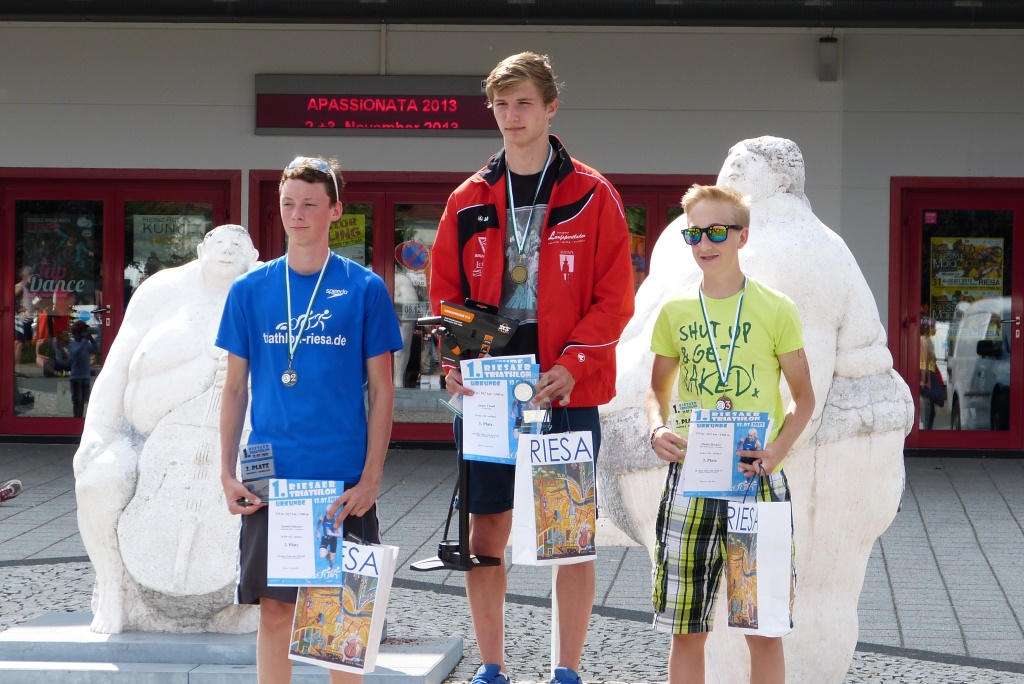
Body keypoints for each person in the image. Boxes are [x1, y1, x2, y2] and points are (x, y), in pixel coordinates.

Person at [429, 52, 635, 684]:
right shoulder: (468, 198)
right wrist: (454, 361)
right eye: (501, 104)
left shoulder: (593, 193)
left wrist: (574, 364)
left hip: (562, 389)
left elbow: (614, 297)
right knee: (486, 530)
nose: (511, 115)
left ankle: (565, 670)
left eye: (523, 103)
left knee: (566, 533)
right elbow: (445, 293)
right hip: (488, 391)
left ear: (550, 107)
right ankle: (492, 665)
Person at [218, 155, 403, 684]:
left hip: (341, 482)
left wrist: (371, 478)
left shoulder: (364, 288)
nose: (296, 215)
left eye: (309, 204)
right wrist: (226, 474)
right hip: (271, 480)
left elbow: (382, 391)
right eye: (288, 204)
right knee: (275, 614)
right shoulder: (249, 289)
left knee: (340, 620)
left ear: (335, 211)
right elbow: (234, 389)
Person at [646, 184, 814, 684]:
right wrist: (656, 427)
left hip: (755, 481)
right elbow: (655, 390)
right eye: (694, 233)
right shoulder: (675, 310)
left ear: (743, 236)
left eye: (717, 231)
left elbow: (805, 397)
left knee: (762, 628)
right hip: (690, 481)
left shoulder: (776, 308)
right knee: (685, 630)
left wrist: (777, 451)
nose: (705, 243)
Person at [73, 223, 261, 634]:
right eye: (219, 241)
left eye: (238, 244)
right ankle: (113, 590)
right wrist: (98, 432)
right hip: (143, 438)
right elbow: (116, 365)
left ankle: (254, 599)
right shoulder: (161, 290)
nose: (228, 249)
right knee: (98, 480)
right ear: (200, 249)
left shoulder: (265, 294)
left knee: (278, 483)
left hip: (235, 442)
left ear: (253, 257)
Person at [68, 320, 99, 417]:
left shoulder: (86, 344)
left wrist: (92, 340)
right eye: (82, 331)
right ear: (76, 332)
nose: (84, 333)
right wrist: (85, 340)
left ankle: (80, 418)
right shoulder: (72, 343)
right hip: (76, 377)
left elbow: (96, 350)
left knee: (83, 401)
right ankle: (76, 417)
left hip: (85, 376)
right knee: (77, 401)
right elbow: (75, 353)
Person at [919, 314, 937, 430]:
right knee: (928, 407)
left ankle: (927, 429)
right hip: (924, 373)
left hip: (928, 373)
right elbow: (924, 361)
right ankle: (926, 429)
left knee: (930, 408)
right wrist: (924, 380)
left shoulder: (926, 340)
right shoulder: (924, 340)